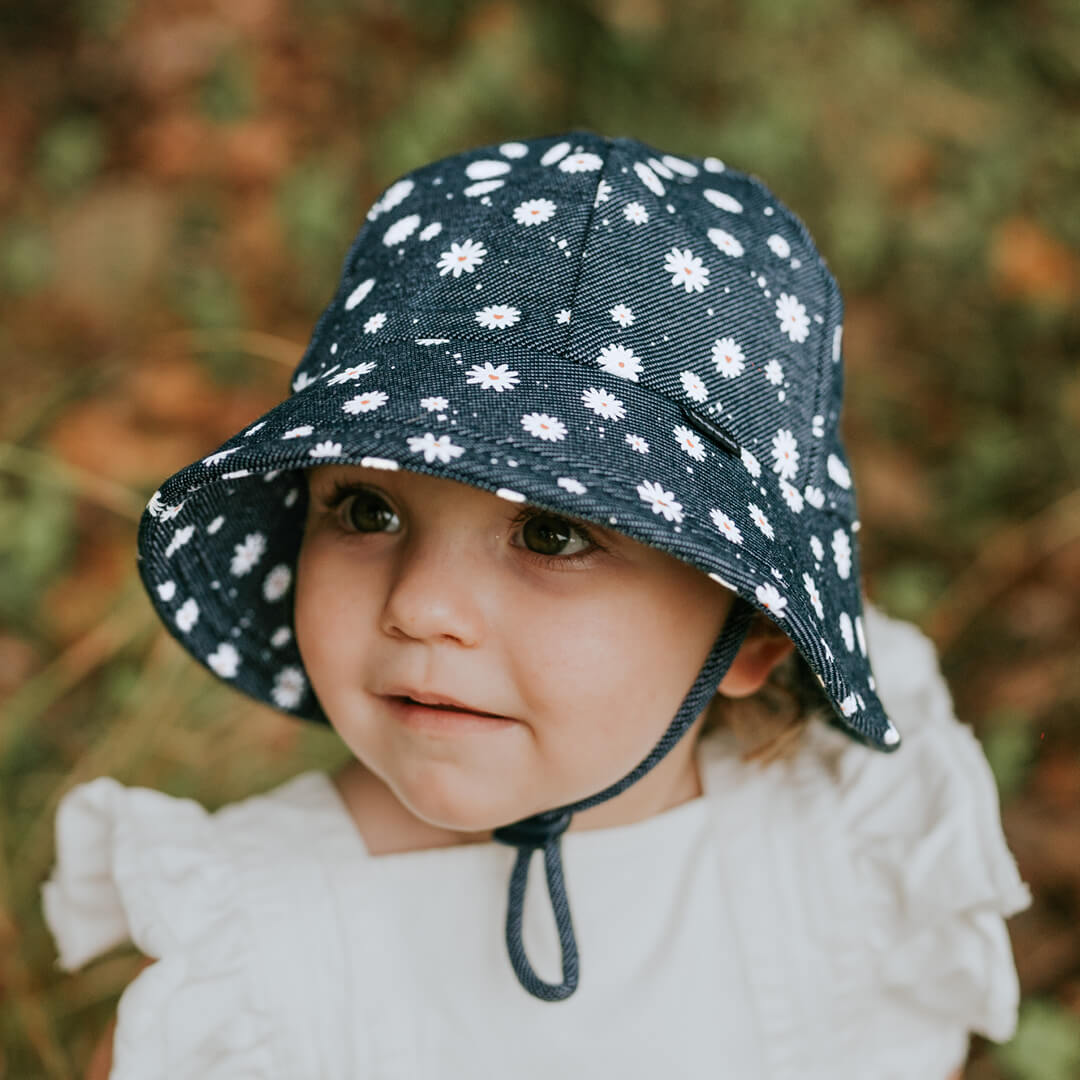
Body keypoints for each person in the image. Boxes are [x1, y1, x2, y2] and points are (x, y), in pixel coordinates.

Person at [41, 130, 1031, 1079]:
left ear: (754, 633)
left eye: (553, 536)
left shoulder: (845, 858)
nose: (421, 605)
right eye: (368, 509)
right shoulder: (256, 946)